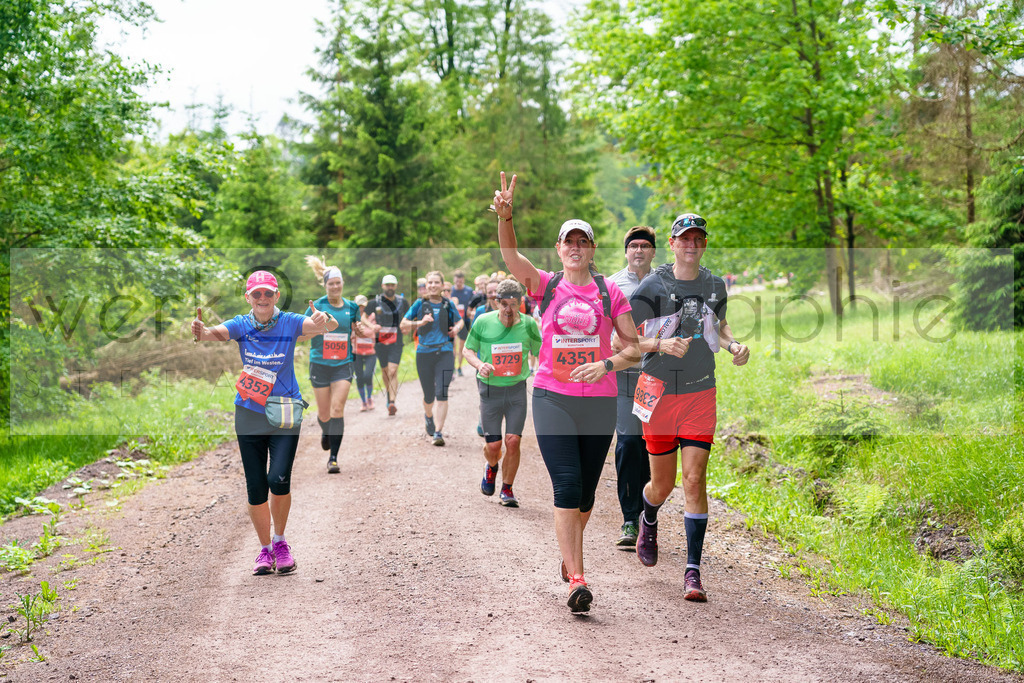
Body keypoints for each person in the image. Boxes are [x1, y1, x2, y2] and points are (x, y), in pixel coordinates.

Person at [494, 171, 640, 614]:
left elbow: (633, 348)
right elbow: (510, 255)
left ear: (592, 249)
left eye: (583, 241)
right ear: (559, 249)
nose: (575, 247)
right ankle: (577, 577)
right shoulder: (546, 284)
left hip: (598, 402)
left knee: (587, 497)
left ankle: (568, 554)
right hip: (552, 396)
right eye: (568, 241)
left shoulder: (608, 290)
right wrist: (506, 217)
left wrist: (605, 364)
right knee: (568, 484)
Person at [628, 213, 750, 602]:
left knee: (695, 480)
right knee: (663, 484)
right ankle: (648, 515)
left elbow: (720, 324)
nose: (691, 245)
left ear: (704, 244)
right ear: (673, 242)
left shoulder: (715, 284)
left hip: (700, 390)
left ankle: (693, 571)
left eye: (698, 239)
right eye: (685, 238)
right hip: (658, 391)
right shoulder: (652, 285)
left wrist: (733, 345)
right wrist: (660, 345)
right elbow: (625, 341)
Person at [191, 270, 336, 575]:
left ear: (276, 296)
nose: (262, 299)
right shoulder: (241, 325)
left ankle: (281, 542)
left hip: (284, 411)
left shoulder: (290, 321)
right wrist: (200, 331)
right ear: (248, 297)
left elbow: (320, 325)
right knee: (256, 487)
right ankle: (264, 550)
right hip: (249, 412)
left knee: (278, 479)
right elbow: (210, 334)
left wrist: (324, 319)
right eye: (256, 294)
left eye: (267, 293)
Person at [462, 278, 542, 508]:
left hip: (516, 389)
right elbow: (468, 350)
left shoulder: (528, 325)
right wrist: (479, 364)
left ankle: (507, 488)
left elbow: (541, 353)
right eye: (504, 304)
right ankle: (492, 466)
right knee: (494, 446)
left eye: (513, 304)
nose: (508, 310)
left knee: (514, 441)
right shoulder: (483, 322)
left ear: (520, 303)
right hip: (490, 389)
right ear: (496, 302)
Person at [607, 225, 658, 549]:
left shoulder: (665, 284)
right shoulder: (613, 284)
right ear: (626, 251)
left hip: (656, 377)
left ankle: (646, 516)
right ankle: (629, 517)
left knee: (650, 445)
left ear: (653, 251)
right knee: (627, 442)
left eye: (644, 245)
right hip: (624, 375)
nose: (638, 250)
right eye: (633, 245)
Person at [303, 257, 365, 474]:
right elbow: (302, 331)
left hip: (343, 364)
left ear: (342, 284)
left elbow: (357, 327)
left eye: (338, 283)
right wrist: (315, 327)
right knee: (324, 415)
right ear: (325, 285)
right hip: (319, 363)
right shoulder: (316, 306)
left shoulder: (352, 307)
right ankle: (326, 431)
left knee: (337, 409)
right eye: (331, 283)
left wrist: (359, 330)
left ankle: (333, 458)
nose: (335, 286)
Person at [400, 270, 463, 446]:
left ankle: (438, 432)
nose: (433, 285)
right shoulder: (420, 304)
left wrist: (457, 329)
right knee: (429, 395)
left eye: (437, 282)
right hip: (424, 353)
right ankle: (428, 416)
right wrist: (420, 323)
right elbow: (403, 324)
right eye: (430, 283)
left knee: (441, 392)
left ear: (442, 285)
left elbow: (460, 321)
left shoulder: (448, 304)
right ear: (426, 286)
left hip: (444, 351)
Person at [364, 274, 409, 416]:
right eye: (387, 285)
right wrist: (372, 326)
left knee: (392, 370)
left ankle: (392, 402)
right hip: (380, 341)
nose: (390, 287)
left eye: (392, 285)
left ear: (396, 286)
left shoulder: (403, 302)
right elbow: (363, 317)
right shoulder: (375, 302)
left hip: (397, 341)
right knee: (384, 371)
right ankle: (389, 395)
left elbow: (409, 318)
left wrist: (406, 327)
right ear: (383, 286)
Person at [352, 294, 377, 412]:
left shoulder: (373, 316)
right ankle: (363, 401)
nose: (361, 309)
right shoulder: (352, 318)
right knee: (359, 378)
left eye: (363, 306)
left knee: (368, 375)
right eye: (359, 306)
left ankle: (369, 398)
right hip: (356, 352)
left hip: (371, 352)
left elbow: (375, 332)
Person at [450, 269, 475, 377]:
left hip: (464, 321)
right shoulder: (450, 290)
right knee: (453, 346)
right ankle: (452, 367)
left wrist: (471, 312)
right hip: (452, 321)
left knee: (461, 346)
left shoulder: (469, 291)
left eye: (460, 282)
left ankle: (459, 367)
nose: (458, 283)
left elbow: (472, 305)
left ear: (463, 280)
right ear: (454, 280)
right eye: (456, 282)